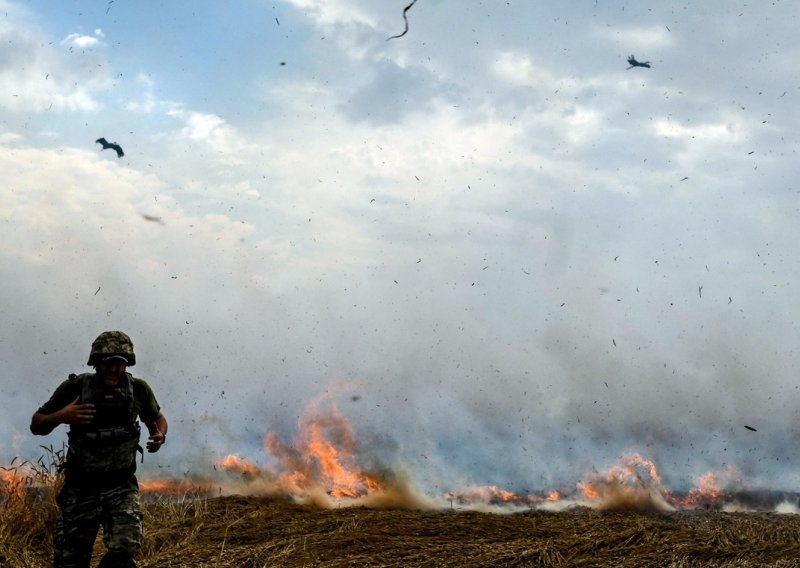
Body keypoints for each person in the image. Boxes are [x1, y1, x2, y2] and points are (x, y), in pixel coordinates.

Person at [30, 331, 168, 568]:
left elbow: (157, 419)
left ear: (127, 364)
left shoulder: (138, 389)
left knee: (124, 551)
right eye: (108, 363)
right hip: (81, 488)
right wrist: (63, 415)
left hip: (121, 487)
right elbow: (37, 424)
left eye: (120, 363)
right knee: (70, 561)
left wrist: (159, 436)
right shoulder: (75, 388)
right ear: (96, 362)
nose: (114, 369)